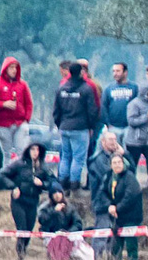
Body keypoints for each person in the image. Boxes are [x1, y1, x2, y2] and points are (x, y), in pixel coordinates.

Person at [2, 141, 53, 260]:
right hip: (19, 201)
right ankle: (20, 255)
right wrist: (13, 187)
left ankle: (23, 251)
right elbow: (3, 175)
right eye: (33, 149)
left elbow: (52, 182)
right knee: (22, 228)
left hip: (33, 201)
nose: (35, 152)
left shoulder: (43, 167)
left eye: (37, 150)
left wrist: (42, 184)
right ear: (28, 151)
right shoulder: (19, 164)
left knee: (29, 230)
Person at [52, 62, 100, 190]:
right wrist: (91, 126)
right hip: (80, 128)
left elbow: (56, 111)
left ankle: (63, 183)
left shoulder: (61, 88)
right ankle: (74, 184)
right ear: (81, 72)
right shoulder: (86, 89)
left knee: (65, 157)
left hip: (64, 127)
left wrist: (60, 124)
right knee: (78, 158)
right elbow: (92, 110)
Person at [104, 152, 144, 260]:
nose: (117, 165)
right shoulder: (109, 177)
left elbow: (130, 196)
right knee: (116, 244)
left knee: (131, 244)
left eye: (119, 162)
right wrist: (110, 206)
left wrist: (117, 208)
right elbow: (103, 193)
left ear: (123, 163)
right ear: (111, 165)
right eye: (114, 163)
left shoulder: (129, 177)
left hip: (131, 216)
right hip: (117, 217)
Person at [0, 56, 34, 158]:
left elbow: (29, 103)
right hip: (2, 124)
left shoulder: (22, 85)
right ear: (5, 69)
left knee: (23, 151)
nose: (14, 70)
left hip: (20, 123)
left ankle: (23, 168)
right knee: (4, 153)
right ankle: (5, 169)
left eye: (16, 67)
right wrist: (3, 104)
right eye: (11, 67)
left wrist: (26, 119)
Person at [86, 131, 127, 231]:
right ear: (103, 142)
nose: (113, 142)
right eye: (110, 139)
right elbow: (111, 176)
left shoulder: (118, 158)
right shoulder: (98, 159)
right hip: (103, 204)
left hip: (117, 202)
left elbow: (131, 171)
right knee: (102, 233)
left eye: (115, 139)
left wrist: (125, 155)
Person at [37, 188, 83, 260]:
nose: (57, 195)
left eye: (59, 192)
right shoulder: (45, 208)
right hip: (51, 236)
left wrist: (69, 232)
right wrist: (54, 211)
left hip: (68, 235)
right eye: (54, 193)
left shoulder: (70, 208)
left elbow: (78, 223)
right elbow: (43, 221)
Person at [103, 62, 138, 144]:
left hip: (130, 127)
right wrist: (108, 124)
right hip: (113, 127)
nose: (115, 74)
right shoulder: (109, 88)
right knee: (114, 149)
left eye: (118, 71)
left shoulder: (134, 88)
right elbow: (103, 107)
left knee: (129, 150)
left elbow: (139, 106)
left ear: (125, 72)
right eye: (113, 71)